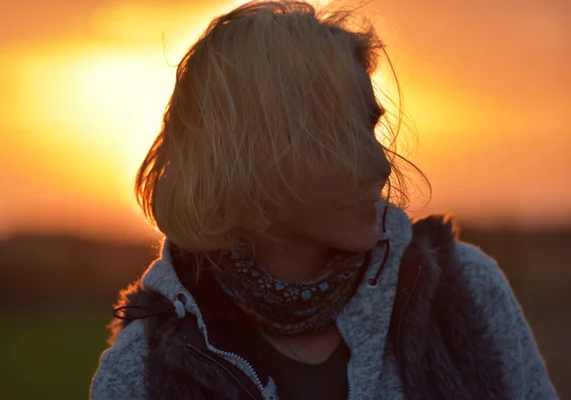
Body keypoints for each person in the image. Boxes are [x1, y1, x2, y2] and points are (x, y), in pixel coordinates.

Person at [90, 1, 558, 399]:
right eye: (337, 136)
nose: (380, 166)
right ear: (250, 155)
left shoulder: (463, 294)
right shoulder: (143, 374)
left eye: (370, 128)